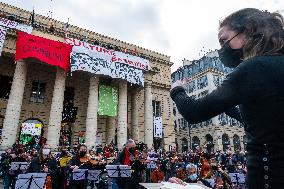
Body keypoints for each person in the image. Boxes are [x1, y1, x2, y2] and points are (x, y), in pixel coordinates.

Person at [171, 8, 284, 189]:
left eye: (224, 40)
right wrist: (224, 102)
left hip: (269, 177)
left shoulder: (252, 68)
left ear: (247, 32)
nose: (222, 48)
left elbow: (193, 112)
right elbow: (260, 122)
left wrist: (177, 91)